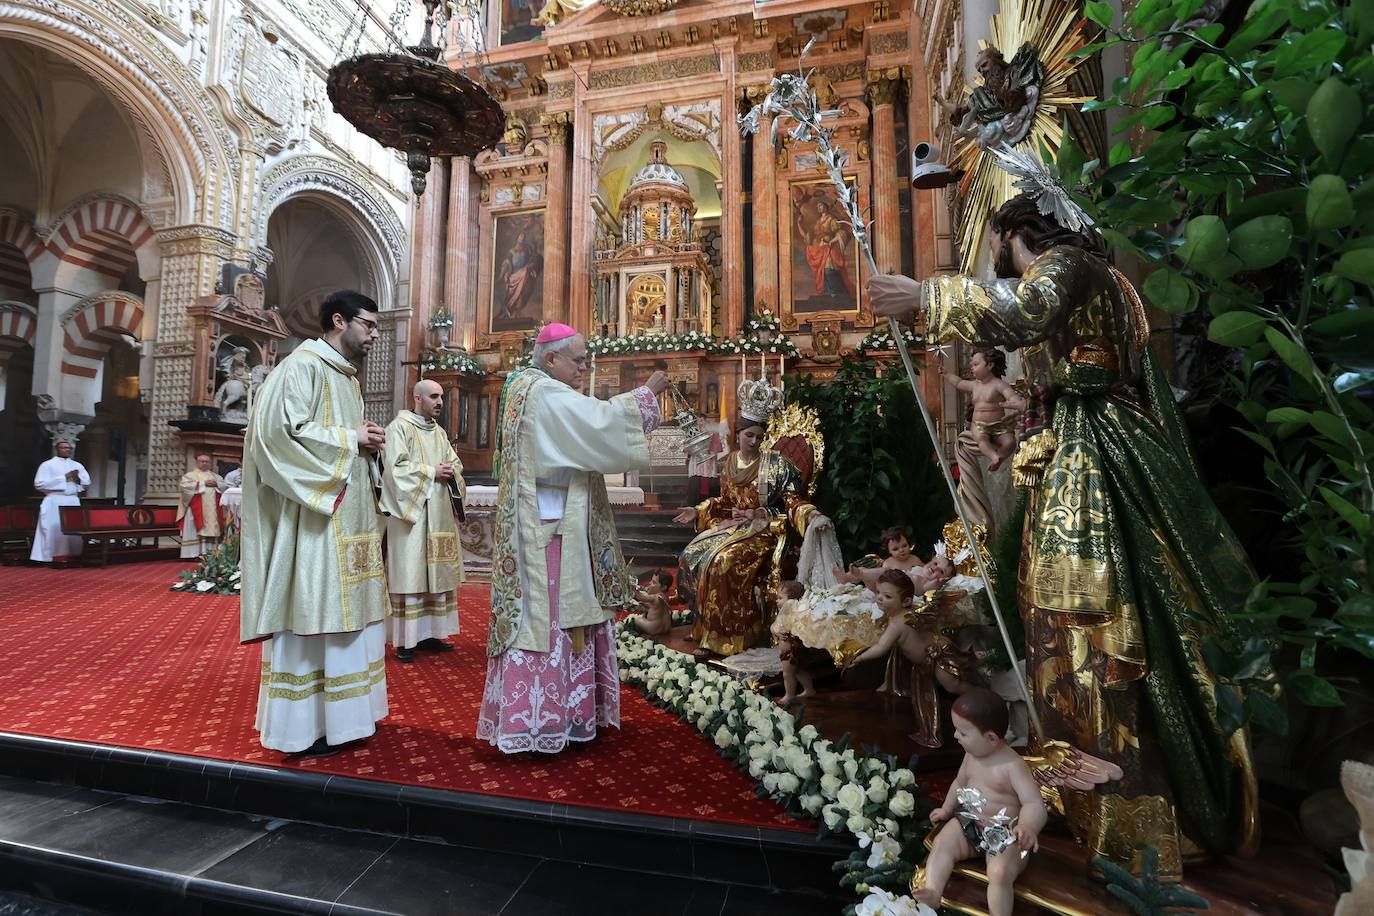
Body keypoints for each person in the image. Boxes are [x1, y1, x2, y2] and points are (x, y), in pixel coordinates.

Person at [867, 190, 1262, 874]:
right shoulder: (1101, 277)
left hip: (1090, 455)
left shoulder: (1066, 262)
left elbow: (1025, 312)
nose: (995, 258)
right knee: (1095, 616)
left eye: (995, 243)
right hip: (1089, 443)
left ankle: (1135, 814)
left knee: (1082, 616)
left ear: (1011, 233)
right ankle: (1110, 802)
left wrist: (925, 297)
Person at [478, 323, 670, 754]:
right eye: (578, 359)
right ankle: (542, 720)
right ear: (551, 359)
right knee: (554, 622)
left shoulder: (527, 388)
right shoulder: (545, 393)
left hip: (552, 522)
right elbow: (599, 423)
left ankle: (561, 716)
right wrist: (647, 393)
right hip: (552, 531)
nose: (586, 365)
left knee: (563, 619)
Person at [240, 290, 389, 756]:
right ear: (339, 321)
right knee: (317, 615)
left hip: (349, 521)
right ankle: (307, 727)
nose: (375, 335)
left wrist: (367, 445)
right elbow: (274, 436)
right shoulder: (301, 367)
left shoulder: (345, 376)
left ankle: (348, 720)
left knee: (350, 620)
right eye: (369, 325)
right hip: (316, 523)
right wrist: (351, 437)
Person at [673, 385, 832, 658]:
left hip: (764, 531)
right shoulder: (730, 463)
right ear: (737, 435)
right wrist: (698, 510)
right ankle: (704, 627)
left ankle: (728, 637)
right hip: (733, 527)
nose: (755, 441)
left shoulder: (777, 465)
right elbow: (723, 503)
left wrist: (811, 514)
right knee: (691, 555)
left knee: (723, 561)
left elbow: (791, 501)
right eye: (749, 435)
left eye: (760, 436)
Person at [916, 689, 1046, 916]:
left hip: (1005, 833)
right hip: (971, 822)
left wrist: (1027, 827)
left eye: (963, 733)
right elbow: (959, 784)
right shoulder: (971, 756)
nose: (956, 736)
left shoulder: (1012, 766)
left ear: (991, 738)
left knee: (999, 872)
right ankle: (933, 891)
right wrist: (947, 809)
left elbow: (1034, 803)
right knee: (943, 842)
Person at [380, 379, 465, 663]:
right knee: (411, 574)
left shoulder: (438, 433)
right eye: (434, 396)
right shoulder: (399, 428)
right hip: (412, 519)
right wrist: (431, 472)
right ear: (417, 398)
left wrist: (452, 471)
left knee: (434, 576)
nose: (440, 402)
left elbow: (455, 464)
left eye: (441, 396)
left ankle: (430, 633)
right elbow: (394, 470)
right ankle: (405, 640)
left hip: (437, 514)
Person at [848, 568, 973, 746]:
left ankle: (980, 701)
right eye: (878, 593)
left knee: (952, 685)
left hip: (938, 654)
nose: (879, 598)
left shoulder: (897, 624)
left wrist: (860, 658)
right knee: (949, 686)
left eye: (887, 596)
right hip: (928, 656)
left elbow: (881, 648)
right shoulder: (905, 613)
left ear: (906, 601)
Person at [941, 348, 1025, 471]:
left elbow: (1012, 396)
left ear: (990, 365)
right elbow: (959, 383)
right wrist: (947, 374)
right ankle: (994, 456)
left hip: (999, 425)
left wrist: (1017, 403)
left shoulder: (999, 384)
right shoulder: (975, 385)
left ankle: (999, 457)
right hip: (979, 425)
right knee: (982, 439)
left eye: (975, 364)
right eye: (971, 365)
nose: (972, 368)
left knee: (1010, 442)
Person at [30, 440, 89, 563]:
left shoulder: (77, 465)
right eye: (63, 448)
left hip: (72, 500)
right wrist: (64, 478)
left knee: (72, 529)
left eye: (69, 448)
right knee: (52, 529)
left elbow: (86, 482)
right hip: (54, 500)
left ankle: (72, 555)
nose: (67, 450)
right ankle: (49, 557)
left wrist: (77, 478)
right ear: (57, 449)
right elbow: (39, 484)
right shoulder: (47, 465)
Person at [770, 580, 819, 705]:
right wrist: (776, 631)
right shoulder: (783, 615)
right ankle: (809, 690)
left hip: (791, 651)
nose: (777, 601)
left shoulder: (796, 615)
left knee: (787, 674)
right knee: (799, 671)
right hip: (790, 651)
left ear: (791, 601)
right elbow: (774, 626)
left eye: (780, 598)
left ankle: (789, 695)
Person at [834, 525, 928, 590]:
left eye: (904, 546)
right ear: (889, 551)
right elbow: (881, 580)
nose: (901, 550)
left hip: (914, 588)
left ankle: (859, 573)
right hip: (894, 590)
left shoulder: (914, 559)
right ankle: (848, 577)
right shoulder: (889, 563)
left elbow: (927, 570)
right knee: (875, 573)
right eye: (895, 549)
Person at [177, 453, 229, 558]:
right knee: (195, 528)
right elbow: (184, 487)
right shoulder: (190, 475)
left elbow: (225, 486)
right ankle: (193, 554)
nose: (204, 463)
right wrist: (202, 484)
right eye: (202, 461)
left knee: (213, 528)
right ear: (197, 462)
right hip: (196, 509)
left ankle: (211, 552)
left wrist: (217, 484)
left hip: (213, 511)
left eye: (206, 461)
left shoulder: (215, 476)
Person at [630, 570, 673, 637]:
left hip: (654, 628)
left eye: (653, 582)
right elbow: (657, 608)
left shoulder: (654, 597)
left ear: (663, 587)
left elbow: (640, 597)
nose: (650, 583)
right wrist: (645, 605)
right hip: (666, 627)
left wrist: (633, 588)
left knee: (637, 620)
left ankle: (639, 634)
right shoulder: (665, 596)